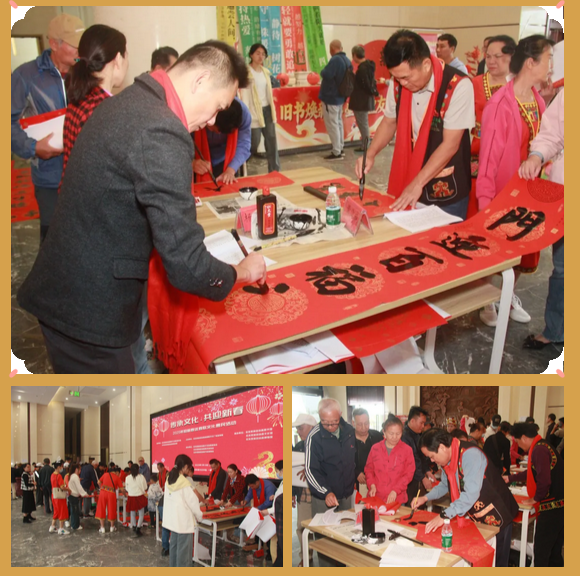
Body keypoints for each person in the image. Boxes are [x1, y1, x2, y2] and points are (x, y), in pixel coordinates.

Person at [17, 40, 266, 374]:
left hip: (68, 290)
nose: (212, 121)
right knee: (111, 405)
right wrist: (243, 271)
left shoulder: (132, 99)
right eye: (218, 107)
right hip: (88, 313)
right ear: (200, 81)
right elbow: (187, 265)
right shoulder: (162, 129)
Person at [477, 35, 555, 328]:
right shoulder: (500, 104)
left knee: (524, 252)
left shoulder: (537, 99)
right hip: (504, 195)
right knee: (494, 252)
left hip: (530, 193)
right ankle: (486, 298)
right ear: (531, 63)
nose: (551, 66)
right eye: (548, 59)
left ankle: (507, 296)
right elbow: (487, 161)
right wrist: (485, 206)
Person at [356, 30, 475, 219]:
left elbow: (450, 144)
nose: (402, 83)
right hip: (407, 180)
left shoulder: (458, 85)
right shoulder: (398, 84)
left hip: (445, 190)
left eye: (406, 77)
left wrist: (417, 183)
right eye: (397, 78)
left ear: (426, 65)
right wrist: (370, 154)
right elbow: (389, 121)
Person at [11, 13, 85, 243]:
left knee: (83, 237)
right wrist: (33, 148)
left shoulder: (85, 72)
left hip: (83, 172)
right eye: (75, 45)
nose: (80, 51)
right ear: (54, 44)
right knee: (53, 239)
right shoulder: (26, 76)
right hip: (49, 175)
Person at [415, 429, 518, 567]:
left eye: (432, 456)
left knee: (498, 559)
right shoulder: (448, 462)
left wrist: (444, 515)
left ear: (442, 447)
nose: (432, 461)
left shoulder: (470, 455)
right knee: (482, 556)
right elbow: (445, 485)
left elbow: (471, 494)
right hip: (478, 514)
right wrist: (425, 498)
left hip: (498, 511)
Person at [520, 89, 564, 350]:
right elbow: (552, 134)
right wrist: (537, 156)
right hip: (566, 197)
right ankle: (556, 330)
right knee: (564, 269)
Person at [468, 35, 516, 219]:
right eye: (488, 56)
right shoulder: (475, 84)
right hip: (478, 157)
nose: (491, 61)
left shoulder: (519, 86)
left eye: (498, 56)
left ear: (512, 56)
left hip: (511, 159)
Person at [506, 423, 564, 566]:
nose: (519, 446)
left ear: (524, 438)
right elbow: (532, 472)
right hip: (559, 506)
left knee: (542, 553)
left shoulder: (539, 450)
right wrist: (510, 478)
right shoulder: (543, 445)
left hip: (551, 508)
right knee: (554, 553)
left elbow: (544, 480)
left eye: (518, 442)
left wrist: (535, 498)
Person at [304, 398, 356, 514]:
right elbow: (310, 470)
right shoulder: (314, 437)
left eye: (334, 421)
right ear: (319, 416)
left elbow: (353, 459)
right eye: (325, 422)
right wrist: (326, 492)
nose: (330, 426)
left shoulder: (349, 431)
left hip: (346, 495)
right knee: (324, 525)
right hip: (324, 497)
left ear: (340, 414)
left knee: (346, 524)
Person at [240, 42, 280, 173]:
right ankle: (239, 167)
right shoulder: (246, 73)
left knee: (271, 141)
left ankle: (274, 171)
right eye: (257, 53)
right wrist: (246, 113)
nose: (260, 56)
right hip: (253, 111)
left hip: (267, 110)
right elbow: (244, 94)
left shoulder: (265, 72)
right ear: (251, 55)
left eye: (263, 54)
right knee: (253, 143)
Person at [193, 97, 252, 184]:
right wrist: (192, 163)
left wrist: (231, 170)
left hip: (226, 160)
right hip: (194, 160)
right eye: (215, 131)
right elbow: (176, 144)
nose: (218, 134)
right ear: (211, 119)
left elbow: (244, 143)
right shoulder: (193, 113)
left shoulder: (243, 114)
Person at [163, 454, 203, 567]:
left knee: (174, 550)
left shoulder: (169, 479)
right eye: (188, 467)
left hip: (173, 522)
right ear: (185, 467)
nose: (189, 470)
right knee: (184, 555)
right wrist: (199, 516)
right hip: (183, 524)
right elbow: (193, 503)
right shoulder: (184, 483)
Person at [365, 414, 415, 504]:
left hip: (397, 498)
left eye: (398, 434)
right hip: (376, 497)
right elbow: (369, 470)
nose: (394, 437)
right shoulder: (375, 448)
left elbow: (409, 474)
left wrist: (395, 490)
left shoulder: (407, 450)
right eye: (391, 434)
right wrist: (372, 485)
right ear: (384, 432)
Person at [319, 40, 351, 160]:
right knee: (338, 123)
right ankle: (340, 148)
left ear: (332, 49)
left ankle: (336, 151)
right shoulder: (346, 60)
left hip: (331, 97)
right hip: (340, 97)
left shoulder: (335, 60)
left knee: (333, 124)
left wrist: (322, 71)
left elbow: (327, 74)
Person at [292, 413, 316, 567]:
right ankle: (306, 556)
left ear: (311, 427)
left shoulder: (323, 444)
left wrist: (310, 469)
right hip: (303, 494)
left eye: (301, 428)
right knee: (302, 527)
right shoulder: (299, 446)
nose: (298, 431)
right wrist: (292, 493)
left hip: (321, 494)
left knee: (322, 527)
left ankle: (327, 557)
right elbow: (293, 471)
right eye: (297, 429)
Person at [400, 405, 435, 504]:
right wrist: (422, 478)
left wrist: (427, 470)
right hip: (408, 480)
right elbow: (412, 460)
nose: (423, 426)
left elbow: (421, 456)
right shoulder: (404, 437)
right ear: (412, 421)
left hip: (417, 478)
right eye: (421, 423)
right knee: (410, 505)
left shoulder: (417, 435)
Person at [349, 45, 378, 152]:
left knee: (363, 123)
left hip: (361, 101)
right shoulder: (369, 66)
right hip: (365, 100)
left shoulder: (362, 69)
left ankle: (365, 145)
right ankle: (365, 144)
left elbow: (365, 85)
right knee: (363, 123)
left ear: (355, 55)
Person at [242, 473, 276, 554]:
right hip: (261, 508)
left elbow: (269, 502)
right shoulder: (253, 486)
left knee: (267, 530)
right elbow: (249, 494)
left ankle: (269, 551)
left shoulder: (268, 486)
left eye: (252, 486)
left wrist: (258, 508)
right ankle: (257, 544)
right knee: (257, 525)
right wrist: (245, 500)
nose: (251, 488)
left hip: (270, 509)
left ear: (257, 482)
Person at [352, 407, 383, 493]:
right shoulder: (348, 440)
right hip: (356, 482)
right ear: (353, 423)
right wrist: (356, 473)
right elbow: (344, 461)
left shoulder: (377, 436)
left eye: (366, 423)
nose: (363, 428)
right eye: (359, 424)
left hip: (377, 481)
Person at [96, 465, 124, 534]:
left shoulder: (105, 474)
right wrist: (125, 495)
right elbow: (122, 489)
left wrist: (101, 487)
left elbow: (98, 482)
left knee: (101, 509)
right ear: (116, 472)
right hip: (111, 494)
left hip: (102, 493)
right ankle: (112, 527)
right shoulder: (117, 478)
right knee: (112, 509)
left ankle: (102, 528)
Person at [49, 461, 72, 535]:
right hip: (60, 497)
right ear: (58, 467)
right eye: (61, 467)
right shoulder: (58, 476)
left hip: (54, 495)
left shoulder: (52, 475)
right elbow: (62, 487)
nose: (62, 468)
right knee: (62, 511)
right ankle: (61, 528)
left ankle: (52, 526)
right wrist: (68, 489)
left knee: (56, 511)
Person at [125, 463, 148, 536]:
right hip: (140, 496)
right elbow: (145, 487)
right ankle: (138, 528)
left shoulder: (127, 477)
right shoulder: (141, 477)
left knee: (132, 513)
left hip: (131, 496)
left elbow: (126, 488)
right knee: (141, 514)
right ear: (138, 469)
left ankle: (134, 526)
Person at [68, 463, 88, 531]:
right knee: (75, 512)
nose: (80, 471)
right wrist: (85, 494)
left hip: (72, 495)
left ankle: (74, 524)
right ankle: (75, 526)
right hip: (73, 496)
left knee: (74, 511)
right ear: (76, 469)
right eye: (80, 469)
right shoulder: (75, 476)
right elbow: (79, 487)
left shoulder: (72, 476)